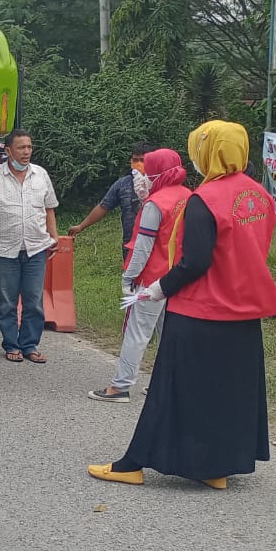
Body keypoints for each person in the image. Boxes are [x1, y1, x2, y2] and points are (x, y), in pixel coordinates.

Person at [88, 120, 276, 489]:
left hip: (201, 309)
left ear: (209, 153)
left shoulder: (205, 199)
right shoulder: (260, 195)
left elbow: (195, 261)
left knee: (172, 390)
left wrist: (158, 288)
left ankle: (133, 464)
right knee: (226, 391)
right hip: (244, 310)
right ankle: (216, 468)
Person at [87, 148, 190, 403]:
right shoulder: (189, 196)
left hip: (151, 279)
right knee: (168, 334)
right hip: (178, 277)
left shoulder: (155, 203)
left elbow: (143, 247)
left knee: (137, 332)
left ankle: (120, 387)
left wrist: (128, 278)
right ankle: (167, 385)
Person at [0, 129, 59, 364]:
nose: (26, 152)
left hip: (36, 248)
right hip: (5, 250)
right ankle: (11, 345)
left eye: (29, 147)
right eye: (21, 148)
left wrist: (54, 237)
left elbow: (49, 207)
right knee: (7, 302)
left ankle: (30, 345)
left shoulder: (40, 174)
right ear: (8, 151)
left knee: (34, 301)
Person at [67, 142, 152, 257]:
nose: (138, 164)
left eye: (142, 160)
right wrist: (81, 226)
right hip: (131, 246)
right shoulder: (123, 184)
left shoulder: (160, 182)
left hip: (157, 246)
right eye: (135, 160)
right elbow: (103, 207)